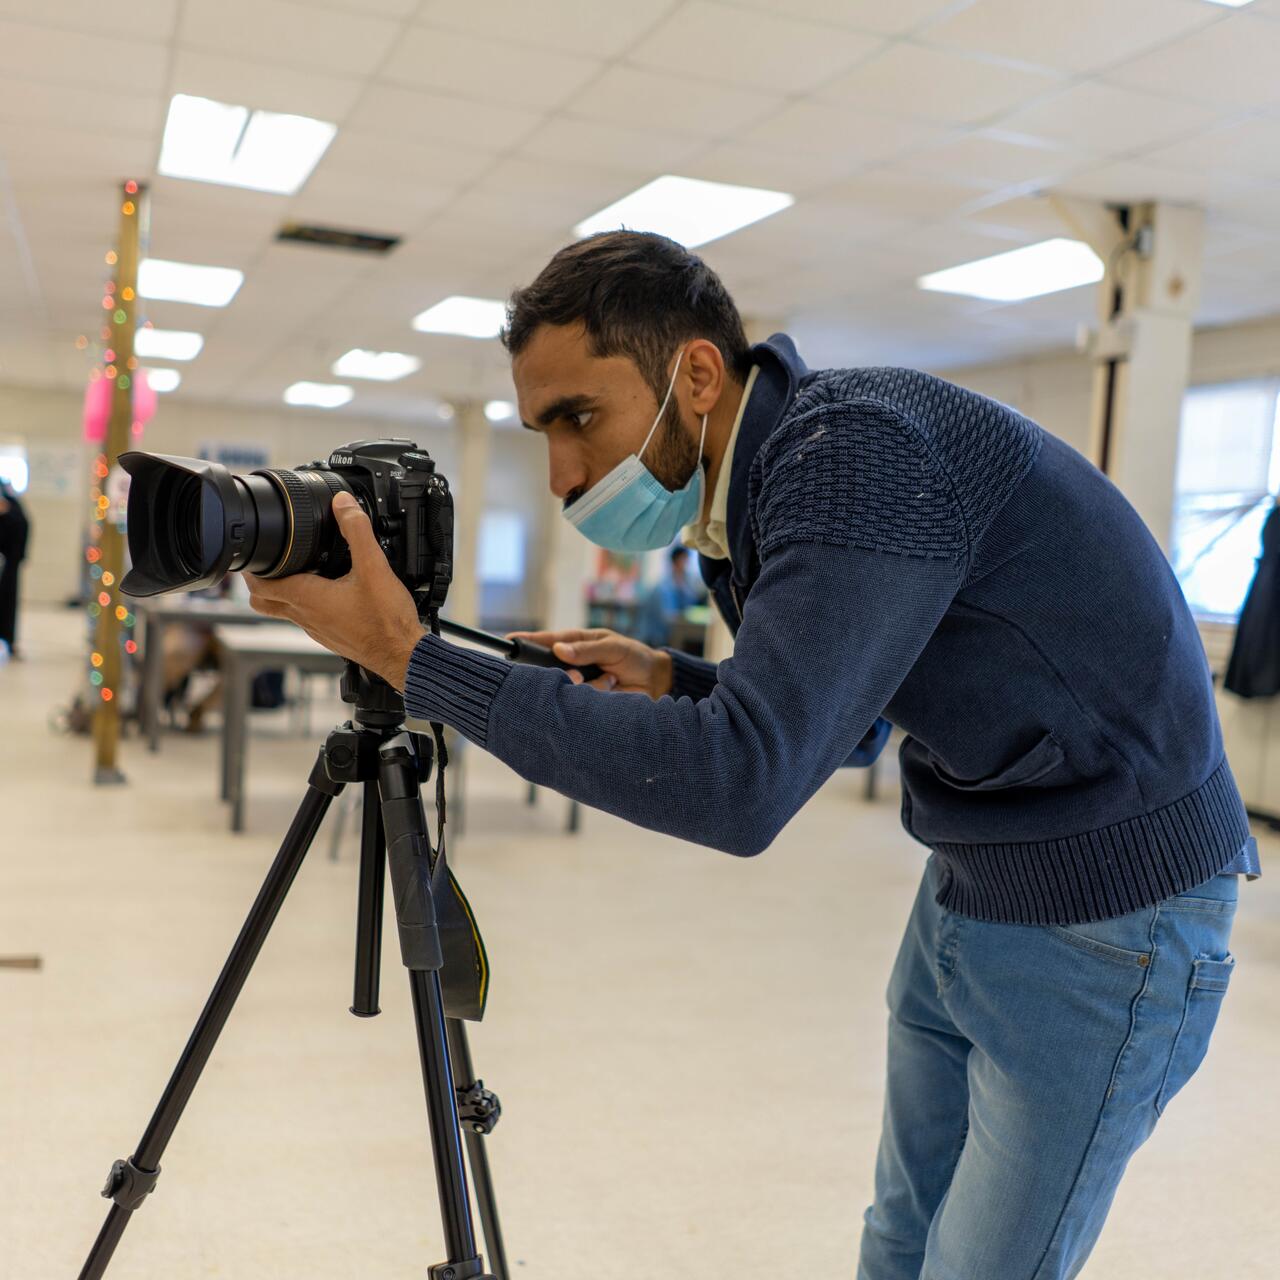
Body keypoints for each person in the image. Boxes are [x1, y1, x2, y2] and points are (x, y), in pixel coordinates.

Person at [244, 230, 1258, 1280]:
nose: (559, 472)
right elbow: (847, 724)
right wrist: (676, 677)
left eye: (577, 417)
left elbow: (743, 785)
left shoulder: (851, 456)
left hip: (1111, 912)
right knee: (901, 1240)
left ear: (693, 374)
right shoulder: (767, 474)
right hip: (975, 874)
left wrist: (409, 657)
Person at [637, 545, 706, 649]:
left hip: (671, 634)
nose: (686, 565)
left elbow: (691, 603)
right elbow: (669, 618)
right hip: (658, 639)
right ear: (676, 562)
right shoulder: (664, 587)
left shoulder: (683, 583)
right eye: (684, 560)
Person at [0, 478, 30, 660]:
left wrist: (6, 513)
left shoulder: (12, 505)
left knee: (7, 605)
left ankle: (9, 641)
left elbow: (23, 525)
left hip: (8, 567)